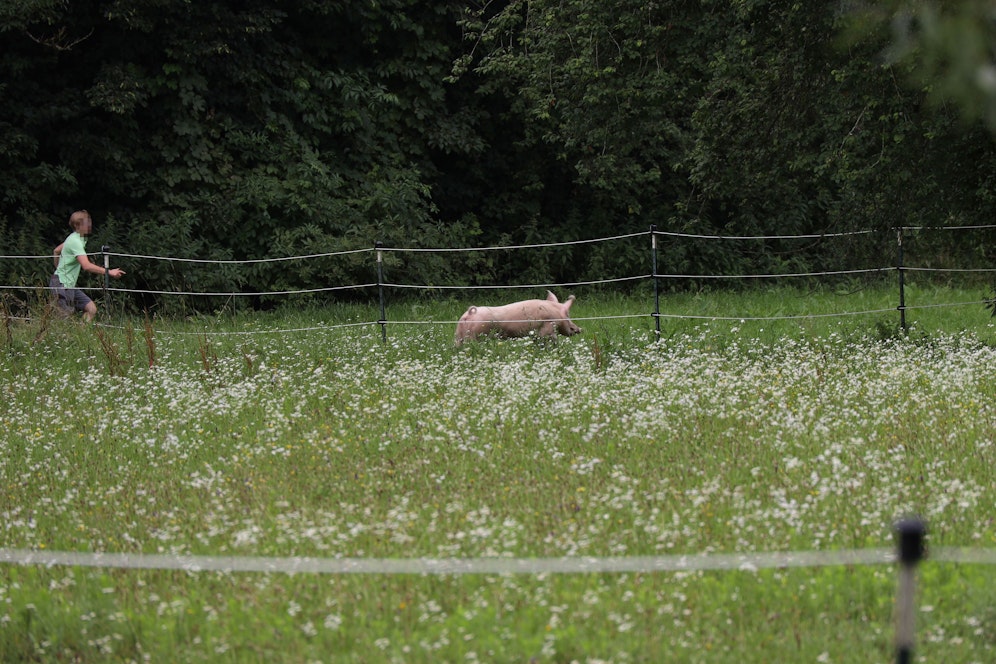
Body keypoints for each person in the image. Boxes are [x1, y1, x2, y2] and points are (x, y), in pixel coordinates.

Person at [50, 210, 125, 321]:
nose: (89, 225)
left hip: (67, 283)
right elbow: (86, 266)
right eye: (86, 222)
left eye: (89, 222)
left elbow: (56, 251)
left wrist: (58, 269)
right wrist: (109, 272)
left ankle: (81, 332)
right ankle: (58, 337)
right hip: (62, 284)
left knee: (91, 309)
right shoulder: (75, 241)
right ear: (77, 225)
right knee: (63, 318)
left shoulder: (76, 238)